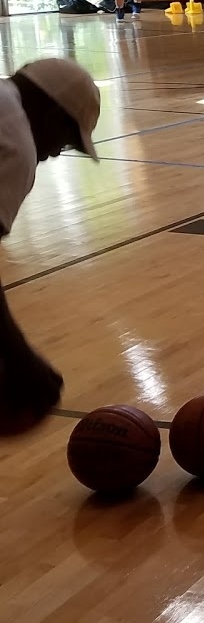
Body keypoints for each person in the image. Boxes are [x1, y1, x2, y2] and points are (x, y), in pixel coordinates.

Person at [0, 58, 101, 436]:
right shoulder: (16, 145)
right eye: (68, 138)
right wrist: (19, 355)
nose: (57, 152)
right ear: (53, 112)